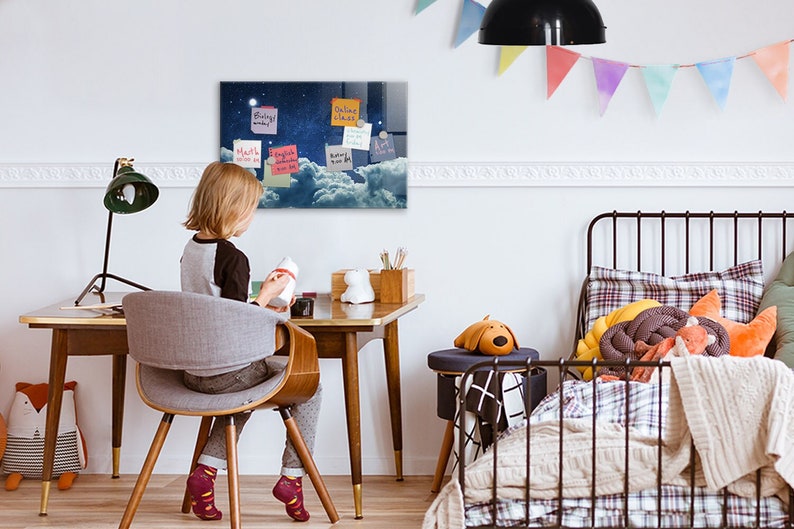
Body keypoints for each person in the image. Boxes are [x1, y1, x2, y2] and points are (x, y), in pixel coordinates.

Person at [179, 161, 321, 522]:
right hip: (227, 371)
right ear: (233, 208)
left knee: (244, 390)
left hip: (194, 372)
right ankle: (292, 478)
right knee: (309, 383)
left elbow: (216, 306)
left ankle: (205, 474)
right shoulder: (233, 257)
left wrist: (262, 300)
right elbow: (234, 321)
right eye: (251, 209)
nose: (251, 217)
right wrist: (269, 296)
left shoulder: (191, 250)